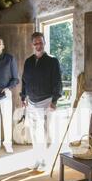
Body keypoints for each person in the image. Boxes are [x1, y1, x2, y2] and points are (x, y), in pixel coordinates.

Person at [21, 32, 62, 171]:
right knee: (33, 132)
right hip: (31, 101)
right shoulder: (28, 61)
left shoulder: (52, 61)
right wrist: (23, 97)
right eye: (36, 43)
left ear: (44, 43)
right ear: (32, 45)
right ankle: (37, 159)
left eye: (41, 42)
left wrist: (54, 101)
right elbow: (24, 81)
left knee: (44, 133)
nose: (38, 45)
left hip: (46, 101)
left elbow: (57, 82)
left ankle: (44, 161)